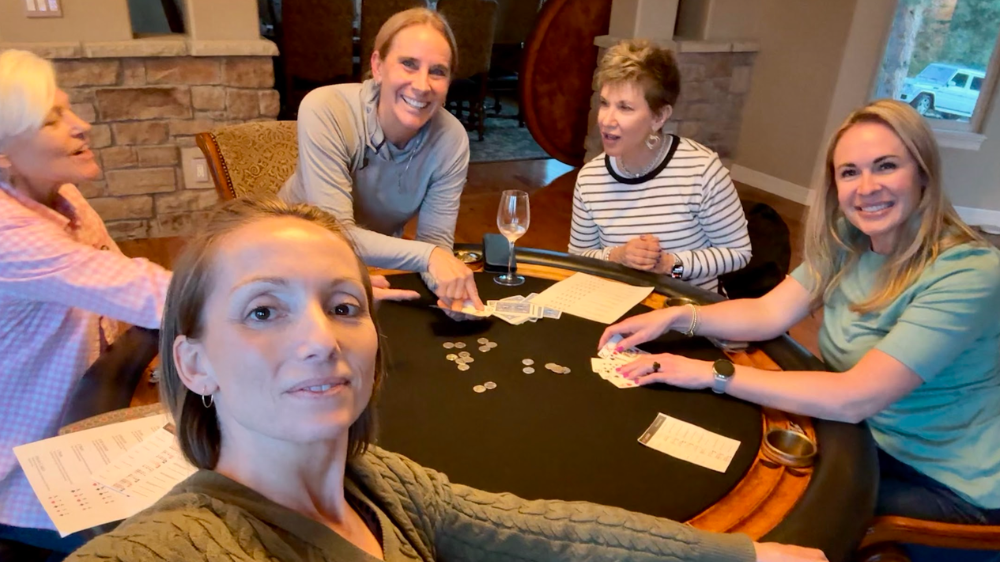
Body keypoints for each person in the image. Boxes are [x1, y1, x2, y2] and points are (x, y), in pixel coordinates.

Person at [67, 197, 826, 562]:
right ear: (194, 362)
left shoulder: (383, 485)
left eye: (341, 305)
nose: (318, 340)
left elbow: (555, 534)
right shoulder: (187, 545)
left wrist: (748, 556)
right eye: (263, 311)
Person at [599, 100, 1000, 561]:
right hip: (860, 437)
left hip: (947, 481)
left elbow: (855, 397)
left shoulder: (969, 272)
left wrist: (713, 373)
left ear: (923, 172)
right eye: (849, 172)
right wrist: (674, 316)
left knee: (779, 523)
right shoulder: (850, 240)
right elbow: (768, 314)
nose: (866, 188)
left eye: (885, 166)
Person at [0, 50, 172, 557]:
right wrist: (298, 283)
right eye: (53, 120)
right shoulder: (10, 234)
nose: (82, 126)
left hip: (93, 410)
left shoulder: (64, 196)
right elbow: (153, 294)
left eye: (69, 109)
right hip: (27, 471)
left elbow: (121, 292)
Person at [278, 7, 482, 313]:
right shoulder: (326, 108)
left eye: (437, 71)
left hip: (371, 269)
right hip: (288, 261)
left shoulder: (452, 139)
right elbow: (336, 234)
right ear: (377, 65)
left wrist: (450, 292)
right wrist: (430, 257)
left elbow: (435, 240)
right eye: (408, 64)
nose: (422, 85)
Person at [569, 39, 752, 293]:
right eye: (604, 103)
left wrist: (670, 265)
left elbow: (738, 252)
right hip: (616, 307)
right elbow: (578, 258)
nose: (606, 120)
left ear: (659, 117)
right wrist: (618, 256)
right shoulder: (590, 178)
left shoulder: (701, 170)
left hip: (690, 311)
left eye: (625, 107)